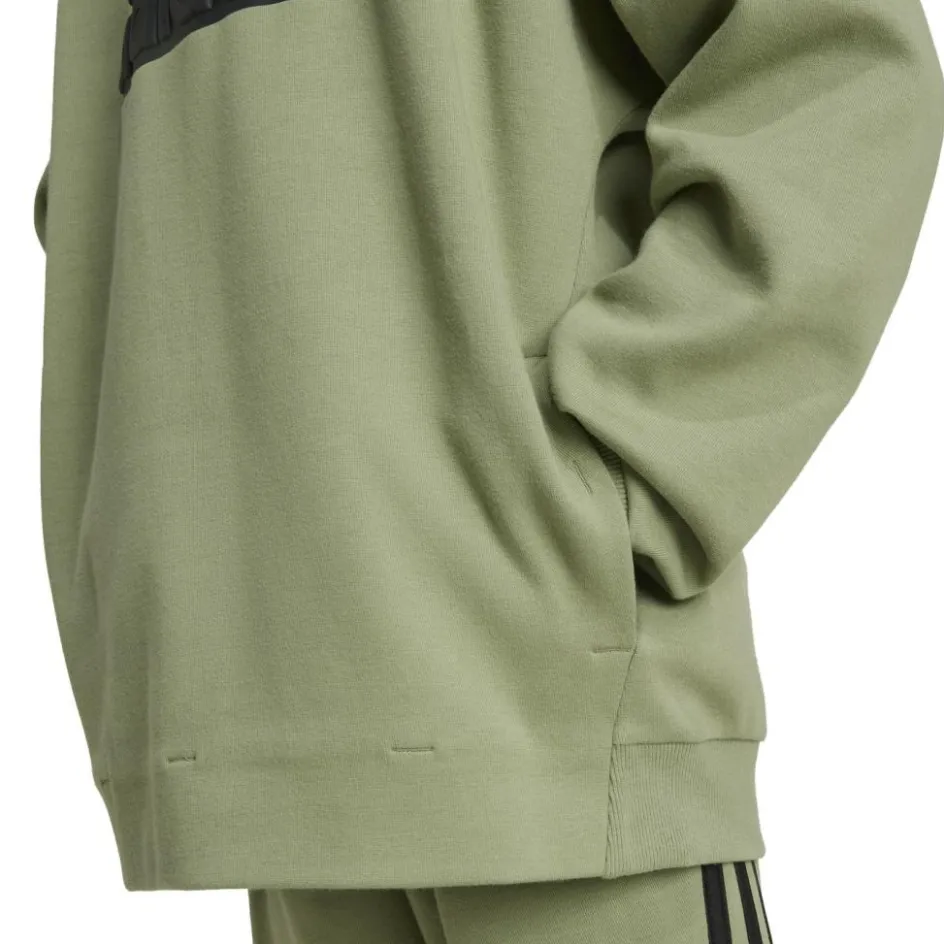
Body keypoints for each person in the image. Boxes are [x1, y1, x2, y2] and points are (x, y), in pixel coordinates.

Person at [34, 0, 942, 941]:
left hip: (539, 694)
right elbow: (127, 164)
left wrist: (623, 465)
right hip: (255, 701)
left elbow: (837, 65)